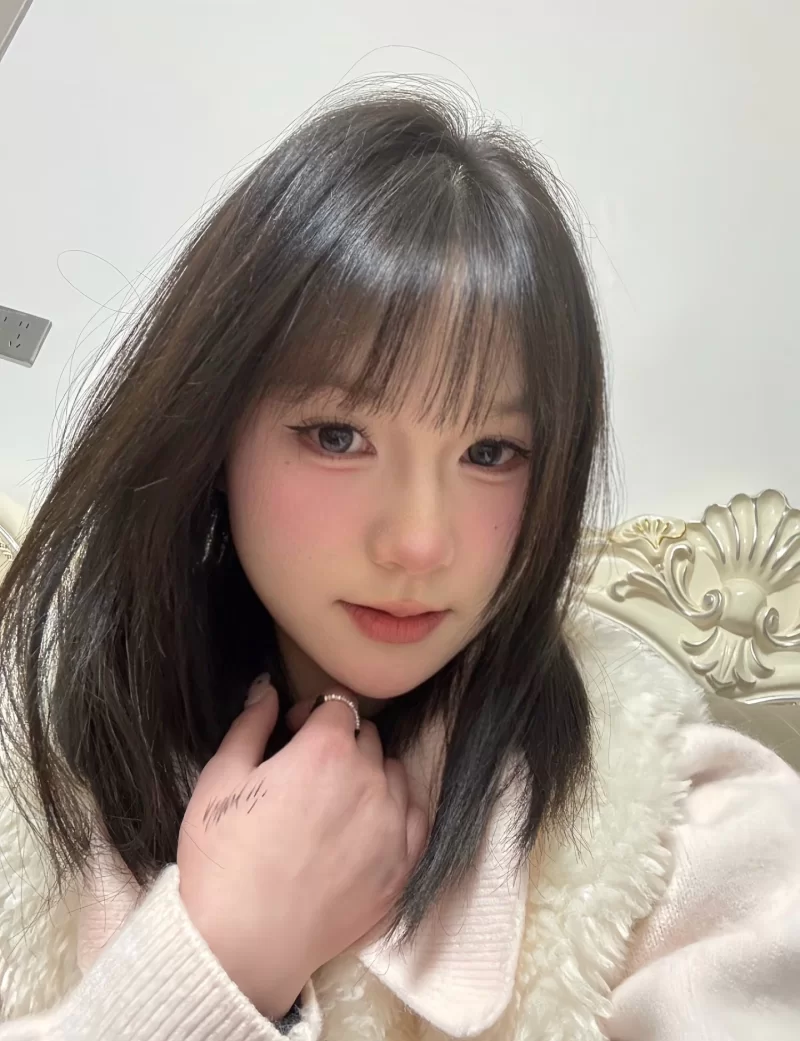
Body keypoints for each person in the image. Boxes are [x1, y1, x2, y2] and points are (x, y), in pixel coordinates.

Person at [0, 78, 798, 1041]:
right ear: (213, 431)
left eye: (491, 452)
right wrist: (222, 958)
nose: (419, 542)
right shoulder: (29, 756)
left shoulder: (677, 827)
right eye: (338, 435)